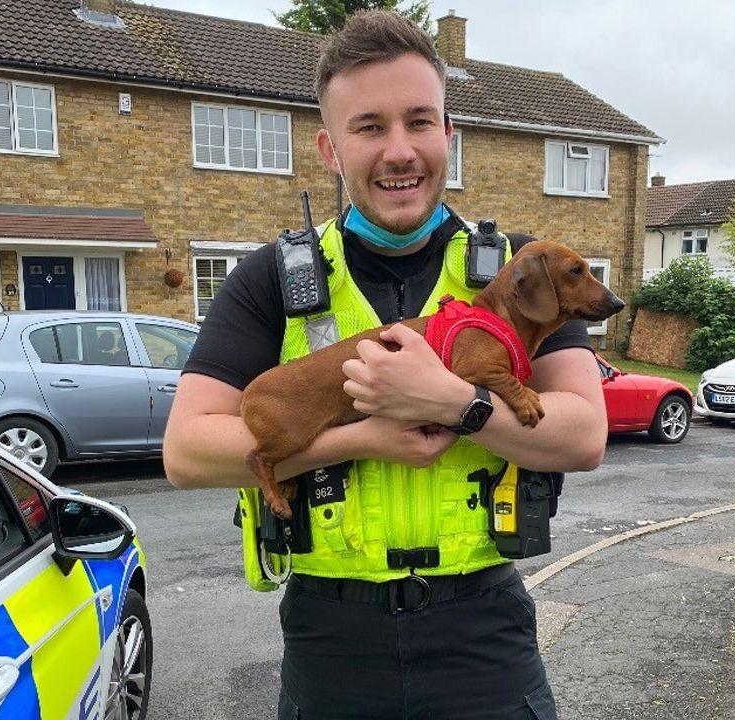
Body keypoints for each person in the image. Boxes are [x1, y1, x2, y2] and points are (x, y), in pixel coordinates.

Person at [163, 11, 607, 719]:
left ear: (447, 136)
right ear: (330, 147)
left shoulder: (525, 272)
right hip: (332, 638)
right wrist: (363, 436)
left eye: (419, 122)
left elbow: (583, 435)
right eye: (369, 127)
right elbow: (186, 450)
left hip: (482, 631)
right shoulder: (272, 279)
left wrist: (452, 403)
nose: (400, 149)